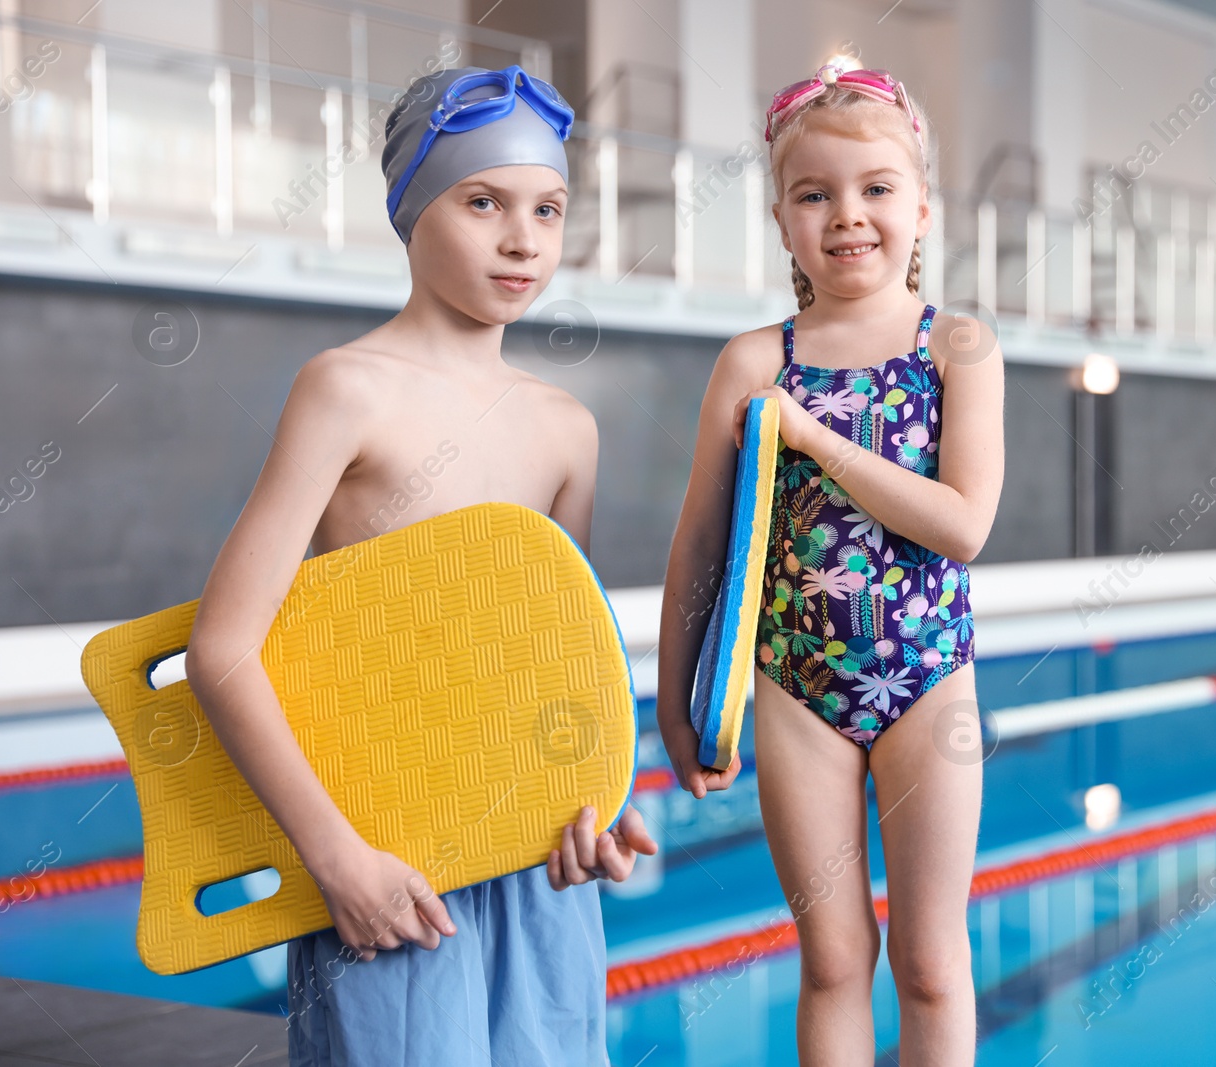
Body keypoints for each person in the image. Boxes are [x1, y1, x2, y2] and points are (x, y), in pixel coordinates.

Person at [183, 65, 654, 1067]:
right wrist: (336, 856)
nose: (521, 237)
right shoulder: (347, 389)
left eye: (547, 208)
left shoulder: (566, 429)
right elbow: (223, 647)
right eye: (481, 201)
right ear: (410, 208)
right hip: (385, 852)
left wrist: (596, 807)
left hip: (532, 873)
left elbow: (556, 669)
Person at [656, 62, 1005, 1066]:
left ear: (923, 209)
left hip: (929, 681)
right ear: (782, 220)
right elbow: (700, 543)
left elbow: (962, 524)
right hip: (794, 687)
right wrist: (676, 704)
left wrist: (816, 441)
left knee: (932, 961)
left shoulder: (958, 347)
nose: (846, 215)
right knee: (832, 957)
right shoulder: (755, 360)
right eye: (815, 194)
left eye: (875, 188)